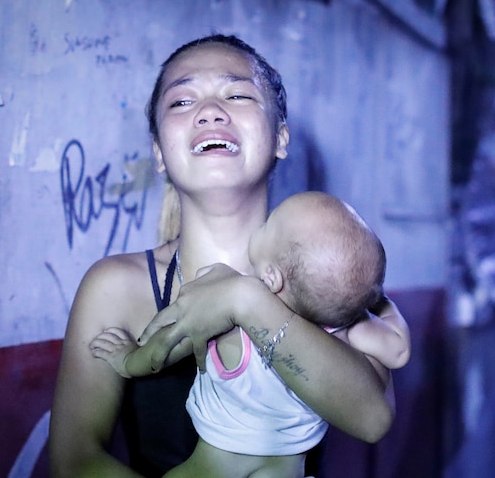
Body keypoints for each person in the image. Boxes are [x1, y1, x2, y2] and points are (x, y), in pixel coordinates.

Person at [49, 34, 400, 478]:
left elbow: (372, 419)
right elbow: (73, 461)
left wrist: (245, 301)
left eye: (237, 94)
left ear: (280, 137)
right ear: (159, 153)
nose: (210, 111)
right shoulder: (114, 287)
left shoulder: (329, 266)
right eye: (181, 102)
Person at [89, 191, 411, 477]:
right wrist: (370, 299)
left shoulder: (226, 313)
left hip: (214, 465)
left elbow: (167, 346)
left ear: (271, 276)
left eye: (270, 224)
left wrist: (129, 359)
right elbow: (398, 350)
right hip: (288, 468)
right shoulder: (342, 331)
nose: (264, 224)